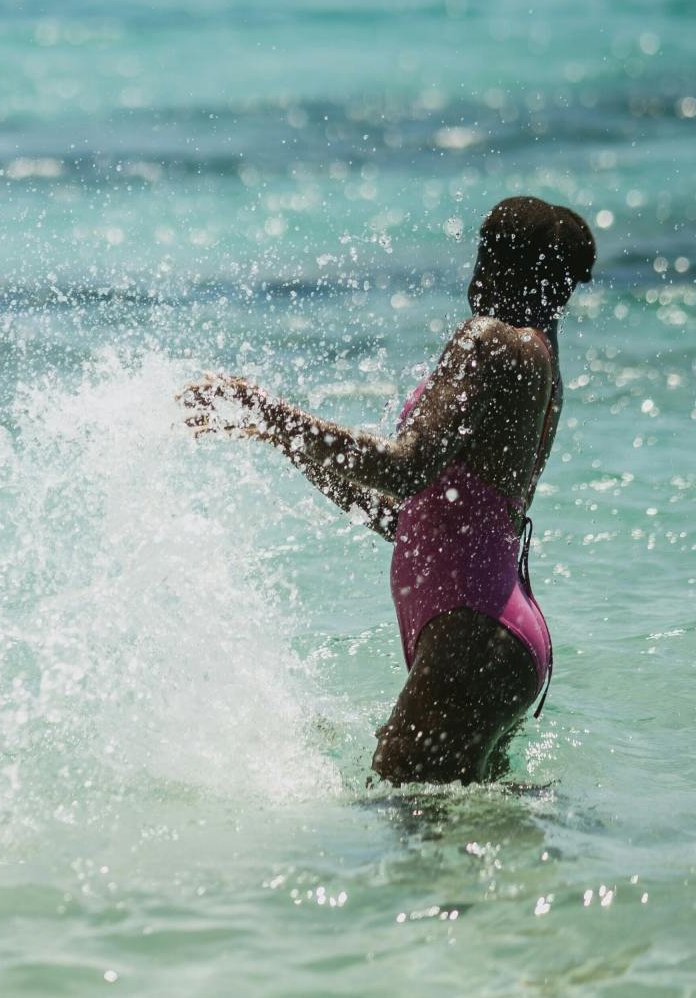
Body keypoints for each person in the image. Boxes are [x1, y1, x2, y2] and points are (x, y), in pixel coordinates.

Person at [181, 197, 595, 785]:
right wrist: (288, 441)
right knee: (468, 826)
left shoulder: (489, 341)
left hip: (471, 634)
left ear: (494, 260)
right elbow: (407, 518)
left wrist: (275, 414)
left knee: (406, 817)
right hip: (496, 633)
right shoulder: (541, 367)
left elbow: (406, 466)